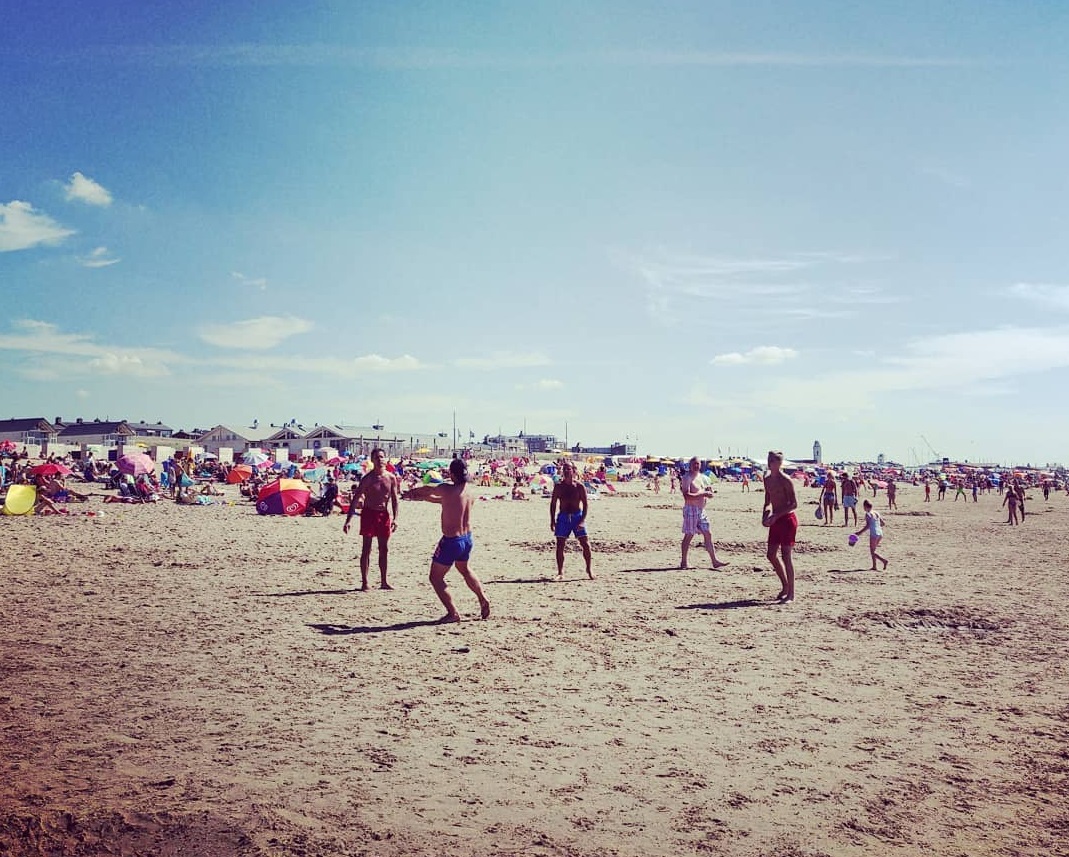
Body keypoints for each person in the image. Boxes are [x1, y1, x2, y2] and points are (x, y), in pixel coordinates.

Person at [405, 458, 490, 623]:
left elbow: (428, 490)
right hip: (467, 539)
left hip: (452, 541)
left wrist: (412, 493)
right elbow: (446, 501)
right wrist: (421, 498)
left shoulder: (446, 489)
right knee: (464, 570)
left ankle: (453, 613)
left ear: (452, 474)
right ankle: (482, 597)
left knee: (435, 578)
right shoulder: (469, 492)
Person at [343, 448, 400, 590]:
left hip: (383, 514)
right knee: (366, 549)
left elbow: (394, 499)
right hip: (368, 514)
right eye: (377, 457)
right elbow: (355, 499)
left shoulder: (391, 478)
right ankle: (365, 582)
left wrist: (396, 518)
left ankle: (384, 581)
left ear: (385, 459)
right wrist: (348, 520)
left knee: (384, 549)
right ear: (372, 460)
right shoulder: (367, 479)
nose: (380, 460)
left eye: (382, 457)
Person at [680, 456, 729, 570]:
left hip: (701, 510)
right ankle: (684, 562)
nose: (696, 466)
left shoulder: (702, 477)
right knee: (689, 535)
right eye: (694, 464)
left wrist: (708, 492)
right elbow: (686, 496)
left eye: (698, 464)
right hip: (691, 510)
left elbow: (704, 491)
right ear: (690, 465)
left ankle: (714, 561)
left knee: (708, 533)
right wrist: (703, 494)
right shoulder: (687, 478)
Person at [762, 450, 798, 602]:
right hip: (775, 519)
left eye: (774, 461)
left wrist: (776, 515)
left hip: (787, 520)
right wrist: (765, 514)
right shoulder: (767, 479)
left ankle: (791, 593)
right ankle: (785, 585)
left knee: (786, 556)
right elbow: (768, 499)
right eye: (770, 461)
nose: (771, 464)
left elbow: (794, 504)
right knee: (771, 554)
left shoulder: (786, 480)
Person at [549, 460, 593, 580]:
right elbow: (553, 504)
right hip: (563, 517)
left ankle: (589, 569)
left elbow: (585, 504)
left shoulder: (579, 486)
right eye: (565, 469)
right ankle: (560, 572)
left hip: (577, 516)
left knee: (585, 543)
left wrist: (582, 520)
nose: (567, 471)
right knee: (560, 545)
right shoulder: (558, 487)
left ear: (573, 471)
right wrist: (552, 520)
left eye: (569, 469)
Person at [854, 499, 889, 570]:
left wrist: (859, 533)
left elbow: (868, 526)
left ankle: (884, 561)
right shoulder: (876, 513)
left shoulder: (868, 514)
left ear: (865, 506)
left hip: (874, 533)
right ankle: (874, 566)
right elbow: (883, 523)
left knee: (872, 552)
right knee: (874, 550)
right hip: (880, 533)